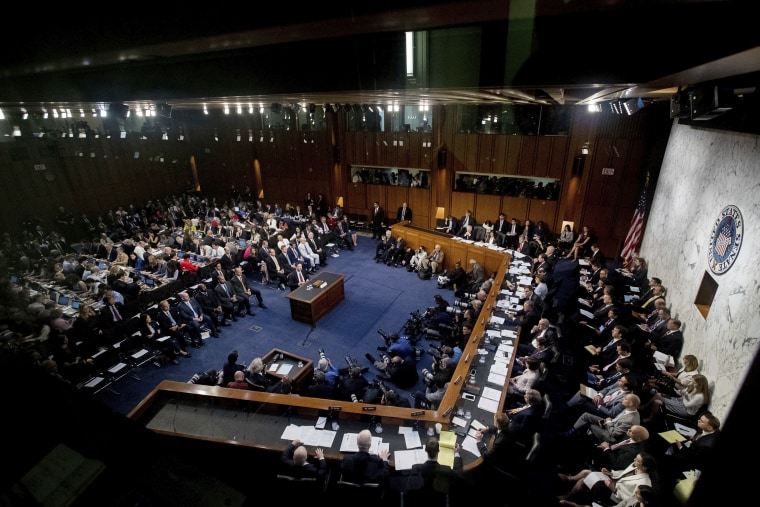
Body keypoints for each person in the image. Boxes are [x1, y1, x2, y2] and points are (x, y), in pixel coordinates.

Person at [558, 453, 657, 507]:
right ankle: (569, 479)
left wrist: (613, 489)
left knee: (586, 479)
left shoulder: (644, 484)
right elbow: (622, 473)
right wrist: (610, 473)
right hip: (614, 482)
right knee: (587, 472)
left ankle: (569, 495)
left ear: (645, 467)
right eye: (635, 458)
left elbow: (629, 500)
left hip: (616, 494)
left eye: (637, 460)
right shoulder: (635, 466)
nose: (634, 460)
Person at [640, 373, 710, 424]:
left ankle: (647, 412)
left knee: (659, 396)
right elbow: (681, 393)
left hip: (685, 410)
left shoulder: (700, 396)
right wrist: (682, 393)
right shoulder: (693, 387)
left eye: (694, 382)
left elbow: (687, 405)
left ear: (700, 384)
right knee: (658, 400)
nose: (691, 383)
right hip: (680, 401)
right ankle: (649, 414)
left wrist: (683, 397)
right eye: (692, 381)